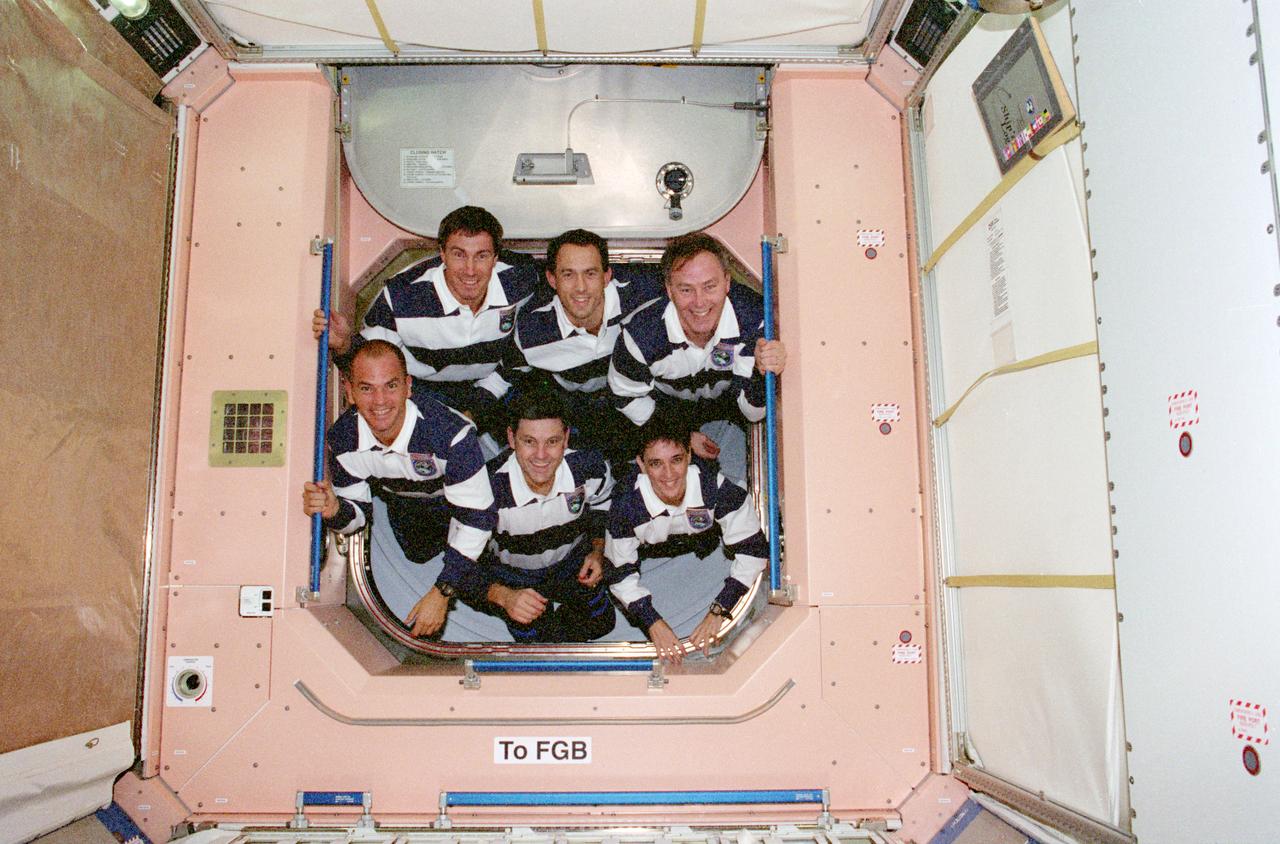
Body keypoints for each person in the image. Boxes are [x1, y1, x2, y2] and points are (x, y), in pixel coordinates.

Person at [301, 340, 495, 638]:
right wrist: (335, 510)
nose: (380, 401)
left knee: (484, 557)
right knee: (418, 554)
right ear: (349, 391)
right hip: (406, 503)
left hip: (463, 496)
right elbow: (359, 516)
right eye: (366, 388)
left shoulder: (450, 434)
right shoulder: (343, 441)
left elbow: (477, 519)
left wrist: (442, 592)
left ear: (408, 386)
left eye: (390, 386)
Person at [313, 205, 538, 437]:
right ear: (442, 254)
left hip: (493, 383)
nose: (470, 270)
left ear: (495, 258)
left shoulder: (520, 281)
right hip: (424, 389)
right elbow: (372, 360)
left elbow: (523, 349)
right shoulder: (403, 296)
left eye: (481, 256)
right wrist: (344, 344)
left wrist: (476, 410)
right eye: (459, 254)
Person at [607, 232, 787, 463]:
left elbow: (752, 413)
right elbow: (625, 397)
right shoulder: (641, 336)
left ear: (727, 283)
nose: (699, 302)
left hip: (730, 398)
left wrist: (761, 373)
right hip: (666, 408)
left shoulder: (754, 322)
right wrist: (681, 436)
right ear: (669, 290)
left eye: (709, 286)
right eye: (686, 290)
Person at [604, 417, 767, 664]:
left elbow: (754, 552)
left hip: (707, 536)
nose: (668, 474)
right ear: (641, 464)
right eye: (656, 463)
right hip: (654, 543)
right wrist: (652, 622)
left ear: (689, 455)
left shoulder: (715, 488)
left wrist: (720, 609)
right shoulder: (626, 506)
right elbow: (619, 575)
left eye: (676, 460)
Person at [508, 228, 663, 459]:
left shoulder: (644, 298)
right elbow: (507, 378)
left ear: (607, 276)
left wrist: (675, 431)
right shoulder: (532, 331)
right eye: (568, 274)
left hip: (640, 398)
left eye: (590, 273)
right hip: (574, 409)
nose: (580, 287)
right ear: (552, 279)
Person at [480, 386, 616, 642]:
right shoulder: (485, 489)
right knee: (535, 643)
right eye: (529, 441)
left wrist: (598, 550)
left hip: (572, 563)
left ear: (566, 438)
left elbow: (604, 504)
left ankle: (560, 628)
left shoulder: (590, 467)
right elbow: (460, 564)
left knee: (602, 623)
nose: (541, 456)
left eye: (552, 442)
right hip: (515, 576)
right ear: (511, 438)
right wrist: (504, 596)